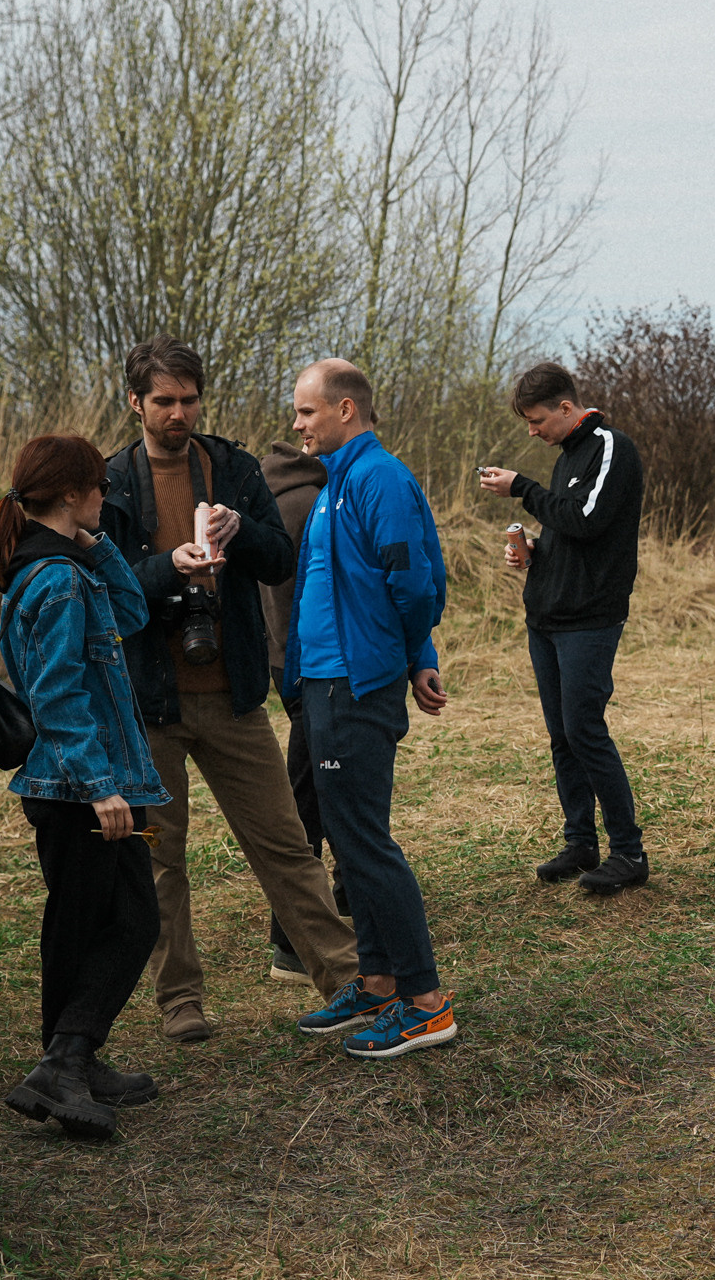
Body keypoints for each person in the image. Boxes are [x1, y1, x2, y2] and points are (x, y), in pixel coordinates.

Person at [98, 338, 360, 1044]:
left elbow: (281, 561)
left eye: (188, 399)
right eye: (163, 401)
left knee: (285, 845)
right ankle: (180, 1002)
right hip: (149, 704)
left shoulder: (236, 468)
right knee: (159, 859)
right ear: (135, 403)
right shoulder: (111, 483)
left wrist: (239, 532)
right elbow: (105, 589)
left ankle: (347, 980)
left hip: (234, 696)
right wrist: (167, 568)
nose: (178, 412)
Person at [0, 434, 168, 1142]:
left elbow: (133, 614)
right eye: (96, 488)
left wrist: (98, 544)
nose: (105, 496)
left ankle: (74, 1062)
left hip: (89, 783)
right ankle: (64, 1060)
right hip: (82, 788)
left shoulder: (67, 567)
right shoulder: (54, 582)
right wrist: (100, 787)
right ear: (67, 494)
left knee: (87, 921)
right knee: (126, 921)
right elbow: (58, 694)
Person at [283, 358, 459, 1058]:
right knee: (351, 838)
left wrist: (412, 654)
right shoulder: (338, 481)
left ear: (345, 410)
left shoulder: (379, 478)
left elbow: (415, 582)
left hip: (359, 685)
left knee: (365, 843)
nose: (297, 425)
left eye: (306, 412)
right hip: (327, 684)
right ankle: (378, 983)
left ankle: (427, 1002)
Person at [476, 362, 650, 896]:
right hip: (548, 618)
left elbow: (589, 519)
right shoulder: (568, 457)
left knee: (585, 731)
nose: (532, 430)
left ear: (566, 408)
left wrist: (521, 488)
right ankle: (581, 843)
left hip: (589, 621)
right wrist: (535, 551)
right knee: (562, 737)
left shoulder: (610, 447)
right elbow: (570, 530)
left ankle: (629, 853)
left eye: (536, 420)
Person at [258, 437, 341, 981]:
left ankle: (345, 904)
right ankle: (290, 940)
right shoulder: (314, 504)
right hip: (314, 666)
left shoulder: (264, 501)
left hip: (280, 661)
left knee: (321, 784)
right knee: (312, 791)